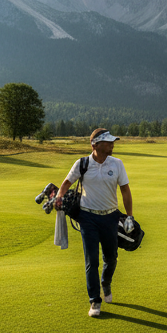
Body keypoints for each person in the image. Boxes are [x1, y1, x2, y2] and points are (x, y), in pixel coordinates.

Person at [56, 128, 133, 317]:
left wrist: (129, 216)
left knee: (111, 258)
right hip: (87, 217)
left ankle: (106, 282)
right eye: (108, 142)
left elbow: (125, 190)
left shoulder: (117, 164)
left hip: (110, 217)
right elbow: (67, 182)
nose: (112, 144)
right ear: (95, 145)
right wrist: (59, 196)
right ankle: (94, 301)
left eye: (112, 142)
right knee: (91, 260)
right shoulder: (82, 164)